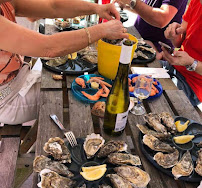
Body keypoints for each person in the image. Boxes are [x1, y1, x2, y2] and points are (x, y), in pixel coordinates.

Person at [0, 0, 128, 125]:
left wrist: (96, 8)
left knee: (76, 87)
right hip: (6, 98)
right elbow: (48, 48)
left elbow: (53, 6)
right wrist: (102, 30)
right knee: (72, 99)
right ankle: (46, 143)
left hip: (21, 76)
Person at [161, 0, 202, 106]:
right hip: (173, 67)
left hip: (193, 85)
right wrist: (174, 35)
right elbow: (180, 42)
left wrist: (191, 63)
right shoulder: (196, 2)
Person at [115, 0, 188, 59]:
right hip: (142, 42)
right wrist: (125, 5)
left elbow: (162, 19)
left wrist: (132, 2)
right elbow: (147, 9)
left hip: (154, 51)